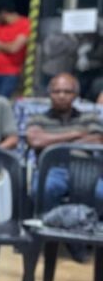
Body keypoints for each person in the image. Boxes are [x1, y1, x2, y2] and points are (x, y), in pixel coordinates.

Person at [27, 72, 103, 211]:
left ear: (75, 95)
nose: (61, 96)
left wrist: (53, 141)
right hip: (52, 169)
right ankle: (48, 221)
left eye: (67, 92)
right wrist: (75, 134)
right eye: (57, 91)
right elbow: (36, 141)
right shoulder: (38, 118)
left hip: (87, 170)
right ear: (50, 94)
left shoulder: (89, 117)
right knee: (44, 189)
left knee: (100, 193)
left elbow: (97, 141)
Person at [0, 0, 30, 98]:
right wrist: (6, 46)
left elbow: (14, 48)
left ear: (3, 13)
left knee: (1, 101)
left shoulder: (25, 24)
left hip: (10, 73)